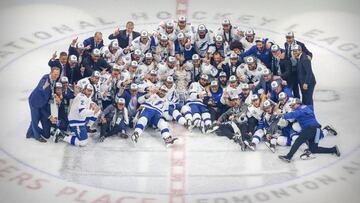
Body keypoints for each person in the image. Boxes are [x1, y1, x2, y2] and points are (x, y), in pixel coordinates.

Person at [278, 98, 340, 162]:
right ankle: (333, 149)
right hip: (317, 130)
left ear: (298, 104)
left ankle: (288, 157)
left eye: (293, 105)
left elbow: (294, 114)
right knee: (314, 149)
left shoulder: (301, 110)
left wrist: (282, 115)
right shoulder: (305, 108)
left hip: (310, 129)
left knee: (298, 141)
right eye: (291, 106)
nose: (292, 107)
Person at [26, 67, 60, 142]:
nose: (56, 76)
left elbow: (51, 89)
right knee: (35, 119)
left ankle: (29, 132)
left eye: (58, 74)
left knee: (36, 118)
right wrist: (43, 87)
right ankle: (36, 136)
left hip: (42, 102)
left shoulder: (53, 79)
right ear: (51, 73)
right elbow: (41, 87)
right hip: (35, 101)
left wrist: (54, 95)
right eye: (55, 74)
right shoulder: (45, 79)